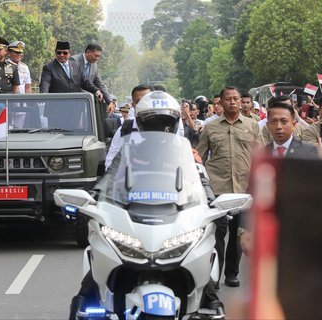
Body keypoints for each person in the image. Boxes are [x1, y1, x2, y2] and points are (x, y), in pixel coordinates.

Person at [70, 91, 224, 319]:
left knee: (207, 280)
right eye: (153, 122)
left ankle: (209, 305)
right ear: (140, 123)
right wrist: (91, 197)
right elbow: (108, 179)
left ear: (173, 124)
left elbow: (201, 180)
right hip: (132, 216)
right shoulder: (128, 151)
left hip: (174, 219)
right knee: (93, 277)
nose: (159, 128)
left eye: (164, 122)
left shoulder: (187, 154)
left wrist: (213, 204)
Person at [196, 86, 263, 288]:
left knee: (238, 234)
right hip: (218, 188)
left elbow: (259, 157)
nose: (233, 102)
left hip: (243, 189)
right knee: (217, 234)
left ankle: (232, 274)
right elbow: (200, 156)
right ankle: (214, 275)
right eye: (229, 99)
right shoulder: (211, 127)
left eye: (236, 99)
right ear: (221, 103)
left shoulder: (253, 126)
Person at [39, 41, 103, 101]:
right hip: (56, 105)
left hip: (74, 106)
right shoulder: (49, 68)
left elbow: (85, 82)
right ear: (55, 53)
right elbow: (45, 83)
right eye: (59, 53)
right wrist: (44, 94)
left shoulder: (75, 65)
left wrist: (96, 90)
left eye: (65, 53)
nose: (62, 55)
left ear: (69, 53)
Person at [70, 43, 114, 112]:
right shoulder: (74, 60)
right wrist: (95, 91)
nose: (97, 59)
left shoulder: (95, 66)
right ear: (88, 52)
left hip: (86, 104)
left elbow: (100, 84)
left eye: (99, 56)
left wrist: (110, 101)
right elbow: (76, 81)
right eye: (95, 55)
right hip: (73, 101)